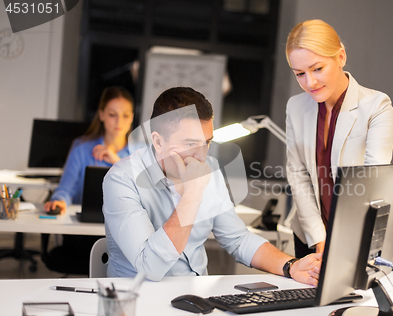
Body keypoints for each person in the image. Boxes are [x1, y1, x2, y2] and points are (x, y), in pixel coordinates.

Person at [103, 87, 322, 284]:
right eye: (190, 143)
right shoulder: (122, 179)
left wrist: (291, 266)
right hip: (138, 301)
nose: (201, 156)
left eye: (206, 142)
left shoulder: (210, 167)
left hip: (195, 297)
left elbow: (238, 239)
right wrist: (192, 195)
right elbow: (150, 267)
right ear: (159, 142)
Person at [285, 19, 393, 258]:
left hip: (360, 231)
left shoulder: (377, 105)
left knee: (357, 296)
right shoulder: (295, 106)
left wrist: (340, 241)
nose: (310, 82)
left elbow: (372, 180)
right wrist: (319, 238)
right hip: (309, 233)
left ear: (341, 57)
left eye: (317, 69)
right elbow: (298, 174)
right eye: (300, 74)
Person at [42, 86, 134, 274]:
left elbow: (148, 194)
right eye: (112, 114)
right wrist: (59, 200)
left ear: (132, 117)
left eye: (125, 115)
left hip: (126, 236)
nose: (119, 121)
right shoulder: (82, 148)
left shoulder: (140, 153)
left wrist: (117, 162)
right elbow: (65, 188)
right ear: (101, 115)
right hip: (83, 236)